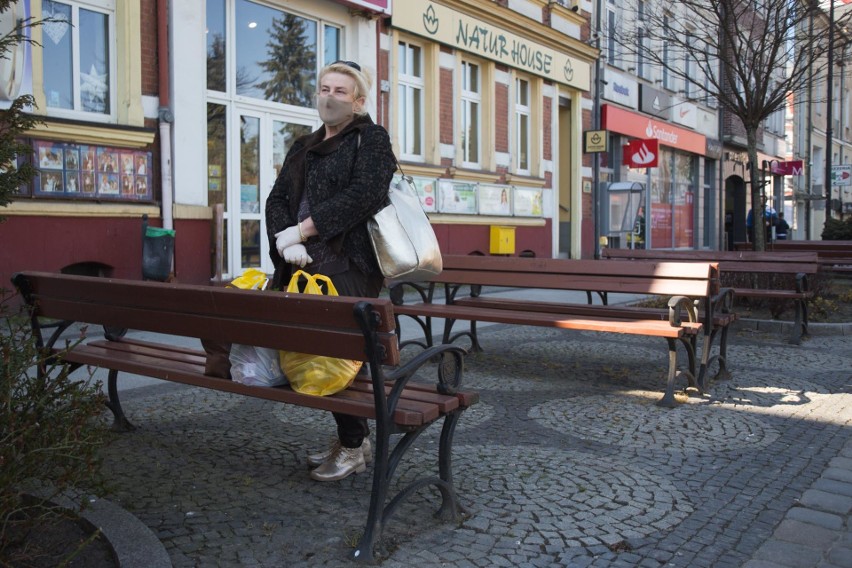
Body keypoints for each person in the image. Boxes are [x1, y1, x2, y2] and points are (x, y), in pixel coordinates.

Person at [265, 61, 396, 482]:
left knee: (340, 355)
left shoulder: (371, 139)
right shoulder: (303, 144)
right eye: (324, 88)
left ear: (358, 101)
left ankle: (354, 445)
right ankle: (350, 438)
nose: (329, 97)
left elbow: (366, 195)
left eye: (340, 91)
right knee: (316, 354)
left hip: (348, 266)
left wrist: (301, 231)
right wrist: (286, 243)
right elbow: (277, 197)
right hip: (301, 265)